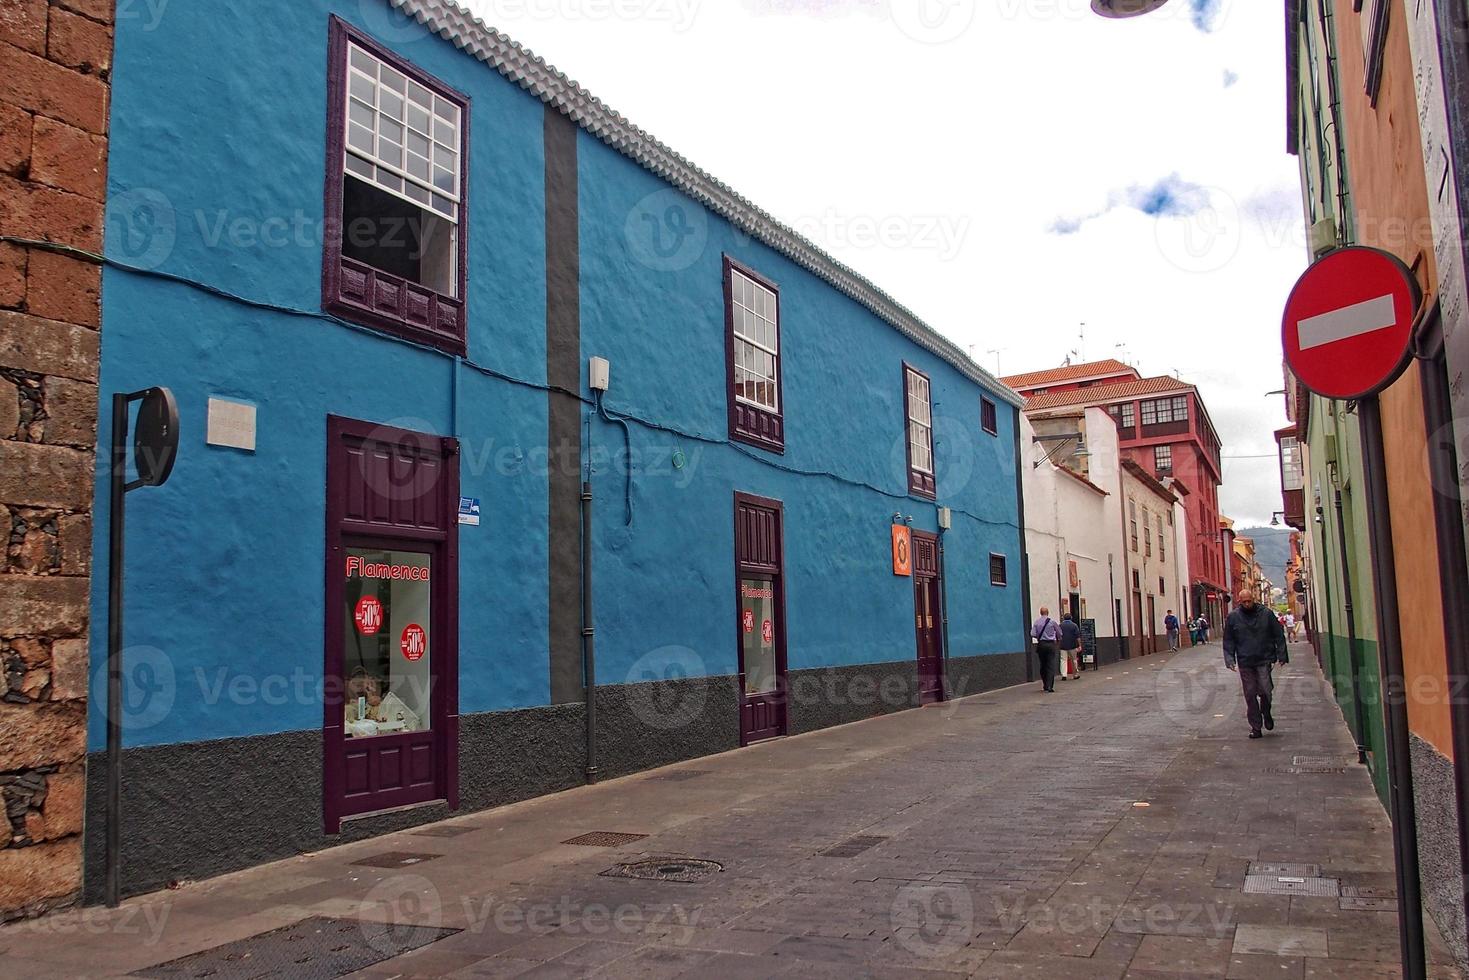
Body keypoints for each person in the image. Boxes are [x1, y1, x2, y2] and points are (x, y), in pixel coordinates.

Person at [1223, 587, 1289, 739]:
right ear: (1239, 602)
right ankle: (1256, 727)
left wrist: (1282, 655)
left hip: (1264, 658)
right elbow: (1229, 639)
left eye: (1249, 601)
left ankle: (1266, 711)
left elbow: (1278, 635)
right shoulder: (1233, 617)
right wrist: (1229, 659)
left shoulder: (1266, 614)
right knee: (1250, 694)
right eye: (1244, 602)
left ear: (1254, 599)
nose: (1247, 604)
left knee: (1266, 691)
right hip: (1245, 661)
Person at [1031, 606, 1060, 693]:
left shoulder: (1036, 622)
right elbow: (1059, 632)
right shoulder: (1052, 622)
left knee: (1043, 664)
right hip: (1050, 644)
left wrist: (1039, 637)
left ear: (1040, 613)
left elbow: (1032, 633)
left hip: (1041, 644)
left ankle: (1045, 684)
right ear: (1048, 613)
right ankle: (1050, 686)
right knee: (1050, 665)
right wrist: (1057, 639)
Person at [1059, 612, 1082, 680]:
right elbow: (1078, 636)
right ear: (1071, 618)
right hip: (1072, 645)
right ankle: (1075, 674)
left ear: (1064, 618)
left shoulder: (1060, 625)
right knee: (1074, 660)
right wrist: (1079, 645)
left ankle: (1064, 675)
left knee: (1063, 660)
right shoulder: (1074, 625)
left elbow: (1058, 635)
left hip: (1063, 645)